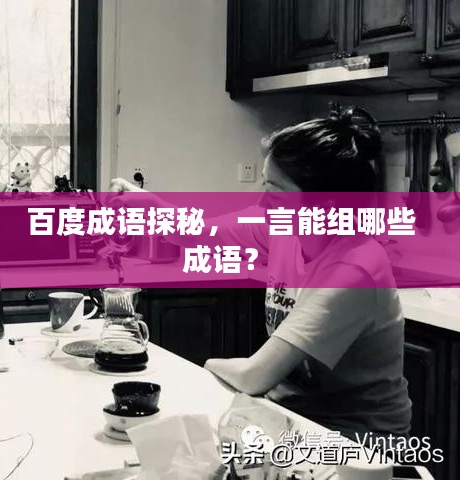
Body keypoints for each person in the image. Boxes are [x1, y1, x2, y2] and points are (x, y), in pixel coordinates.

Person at [110, 107, 412, 443]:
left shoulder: (354, 267)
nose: (263, 202)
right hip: (292, 419)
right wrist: (147, 203)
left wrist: (204, 366)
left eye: (275, 191)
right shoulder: (283, 229)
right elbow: (198, 231)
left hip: (359, 442)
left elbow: (255, 376)